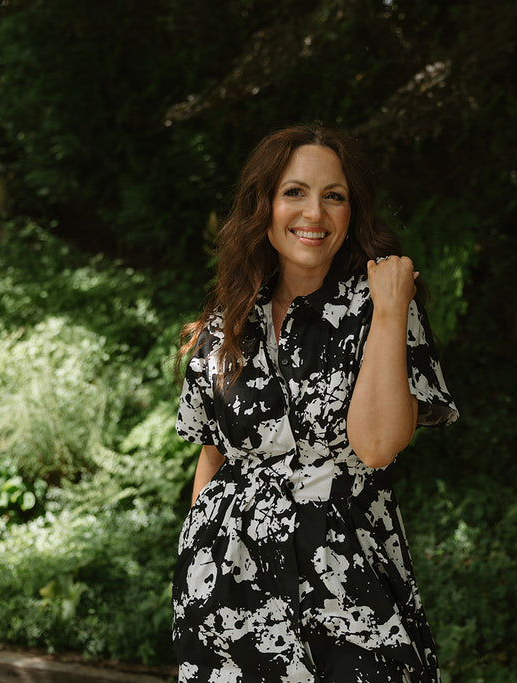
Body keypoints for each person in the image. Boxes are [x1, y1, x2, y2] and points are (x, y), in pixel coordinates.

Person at [173, 124, 458, 683]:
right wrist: (195, 568)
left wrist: (391, 310)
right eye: (294, 192)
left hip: (349, 584)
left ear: (353, 213)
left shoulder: (377, 307)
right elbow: (213, 457)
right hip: (227, 591)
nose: (314, 213)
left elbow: (376, 447)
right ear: (266, 206)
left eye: (334, 195)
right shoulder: (225, 325)